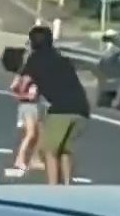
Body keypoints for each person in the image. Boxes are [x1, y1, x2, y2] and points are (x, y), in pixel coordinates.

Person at [21, 24, 90, 185]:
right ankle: (66, 185)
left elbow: (24, 85)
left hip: (61, 110)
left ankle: (53, 188)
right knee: (64, 150)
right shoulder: (62, 59)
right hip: (82, 109)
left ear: (32, 42)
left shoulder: (34, 60)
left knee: (49, 150)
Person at [4, 46, 44, 178]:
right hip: (28, 106)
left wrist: (20, 94)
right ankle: (19, 160)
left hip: (28, 105)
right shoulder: (30, 74)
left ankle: (34, 159)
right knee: (31, 133)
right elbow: (25, 92)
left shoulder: (23, 73)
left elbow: (13, 86)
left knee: (37, 133)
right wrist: (25, 95)